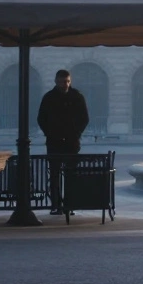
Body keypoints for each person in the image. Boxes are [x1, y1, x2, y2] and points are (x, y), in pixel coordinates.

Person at [36, 69, 89, 215]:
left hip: (71, 142)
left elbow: (84, 118)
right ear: (56, 81)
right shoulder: (49, 97)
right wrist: (51, 133)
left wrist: (76, 134)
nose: (64, 84)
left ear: (70, 81)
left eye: (66, 81)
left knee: (70, 175)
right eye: (61, 81)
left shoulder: (77, 96)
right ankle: (56, 204)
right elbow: (41, 119)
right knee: (54, 175)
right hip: (55, 142)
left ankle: (69, 204)